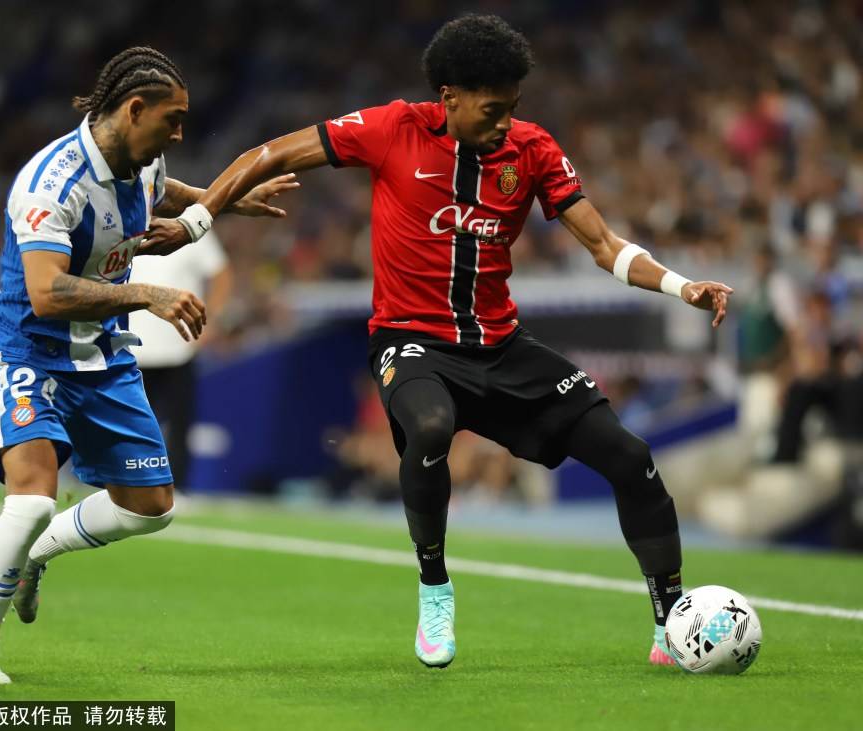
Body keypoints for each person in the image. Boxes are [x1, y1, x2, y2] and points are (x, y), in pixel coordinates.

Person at [143, 15, 733, 669]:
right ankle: (434, 588)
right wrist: (197, 218)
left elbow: (604, 245)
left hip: (501, 346)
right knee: (429, 426)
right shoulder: (391, 129)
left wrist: (681, 285)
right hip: (411, 342)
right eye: (492, 109)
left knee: (630, 456)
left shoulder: (533, 150)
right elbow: (272, 153)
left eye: (513, 107)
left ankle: (670, 622)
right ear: (449, 96)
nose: (505, 123)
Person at [0, 46, 296, 685]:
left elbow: (162, 192)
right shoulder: (49, 185)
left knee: (151, 507)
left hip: (101, 356)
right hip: (29, 352)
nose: (180, 134)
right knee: (29, 502)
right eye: (173, 119)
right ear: (134, 109)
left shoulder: (143, 159)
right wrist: (147, 294)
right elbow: (46, 293)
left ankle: (35, 556)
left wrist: (222, 202)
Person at [129, 230, 232, 488]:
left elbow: (221, 274)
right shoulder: (125, 220)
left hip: (179, 346)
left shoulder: (191, 224)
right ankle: (127, 486)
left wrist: (212, 321)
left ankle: (177, 488)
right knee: (131, 424)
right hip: (132, 347)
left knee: (179, 424)